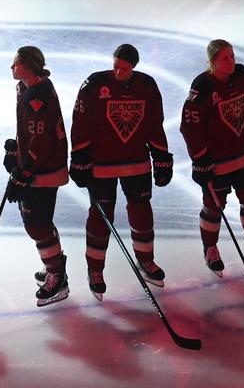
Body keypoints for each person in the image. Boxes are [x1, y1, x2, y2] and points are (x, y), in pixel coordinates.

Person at [69, 43, 172, 298]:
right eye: (115, 65)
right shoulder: (93, 85)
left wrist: (161, 156)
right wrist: (79, 156)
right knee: (101, 215)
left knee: (141, 211)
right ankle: (95, 269)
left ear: (134, 67)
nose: (118, 71)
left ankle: (146, 260)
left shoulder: (147, 86)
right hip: (101, 164)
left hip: (136, 161)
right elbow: (80, 123)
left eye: (124, 68)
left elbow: (154, 124)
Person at [181, 40, 244, 273]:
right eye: (225, 58)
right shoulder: (203, 87)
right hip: (216, 162)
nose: (231, 61)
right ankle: (210, 248)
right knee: (214, 206)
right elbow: (189, 127)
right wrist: (200, 159)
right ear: (213, 62)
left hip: (243, 154)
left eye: (232, 56)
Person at [3, 46, 70, 306]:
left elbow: (41, 141)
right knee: (40, 221)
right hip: (37, 167)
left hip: (42, 171)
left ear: (28, 66)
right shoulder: (28, 87)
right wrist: (16, 149)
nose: (12, 68)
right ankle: (55, 264)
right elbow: (31, 132)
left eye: (15, 64)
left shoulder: (37, 95)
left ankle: (57, 277)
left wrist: (23, 172)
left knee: (37, 225)